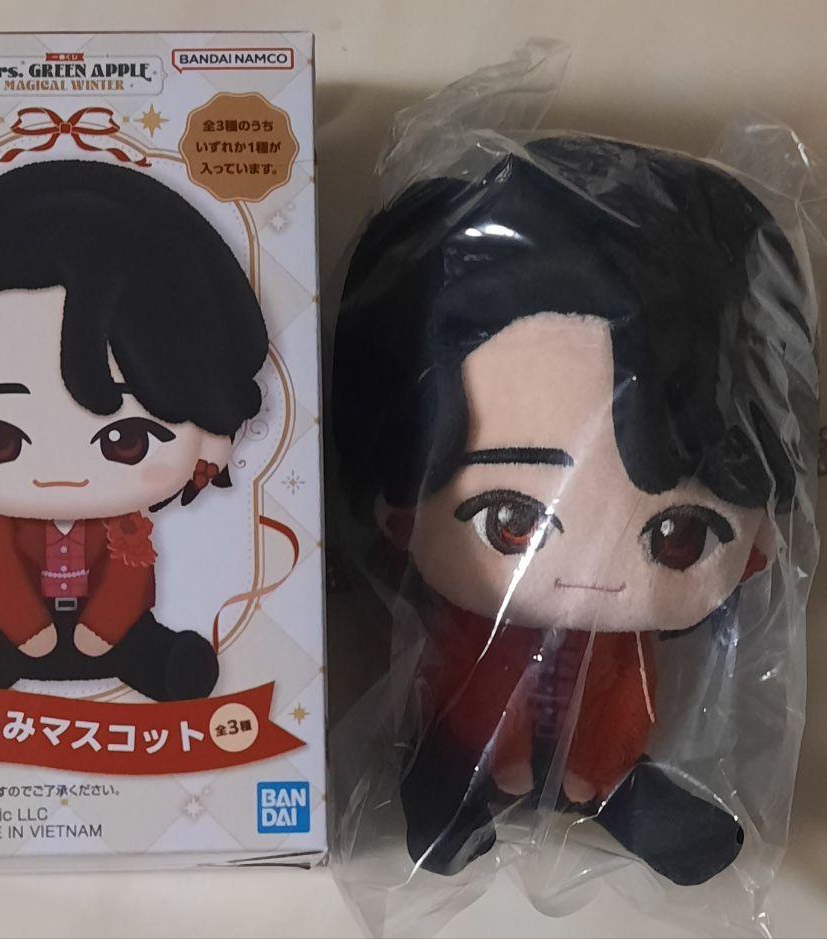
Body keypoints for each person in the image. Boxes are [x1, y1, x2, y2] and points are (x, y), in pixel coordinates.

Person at [334, 135, 814, 884]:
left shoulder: (631, 639)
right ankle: (460, 784)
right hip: (472, 724)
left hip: (606, 732)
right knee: (464, 731)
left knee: (608, 738)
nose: (590, 576)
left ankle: (615, 791)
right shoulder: (456, 606)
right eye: (511, 520)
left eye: (677, 534)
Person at [0, 160, 268, 699]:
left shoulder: (128, 529)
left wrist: (103, 629)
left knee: (147, 648)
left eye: (125, 441)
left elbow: (128, 578)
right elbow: (0, 571)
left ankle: (164, 665)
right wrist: (26, 629)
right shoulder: (9, 531)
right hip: (19, 632)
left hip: (115, 633)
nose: (61, 474)